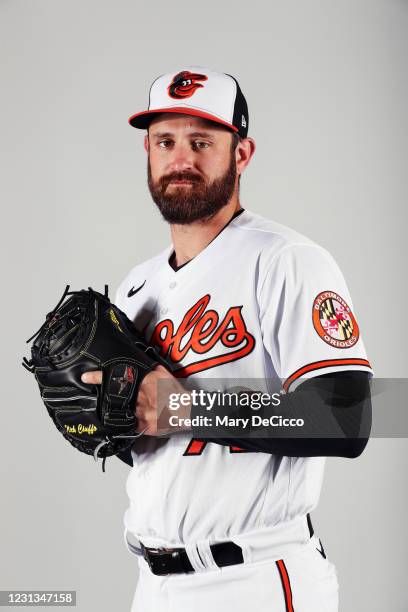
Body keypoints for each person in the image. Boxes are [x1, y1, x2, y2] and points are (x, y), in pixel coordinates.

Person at [82, 66, 373, 612]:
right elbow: (164, 451)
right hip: (153, 582)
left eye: (201, 142)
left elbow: (350, 416)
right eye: (166, 141)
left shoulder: (287, 261)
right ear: (147, 151)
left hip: (257, 579)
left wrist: (183, 409)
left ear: (241, 154)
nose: (181, 160)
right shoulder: (135, 288)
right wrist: (107, 422)